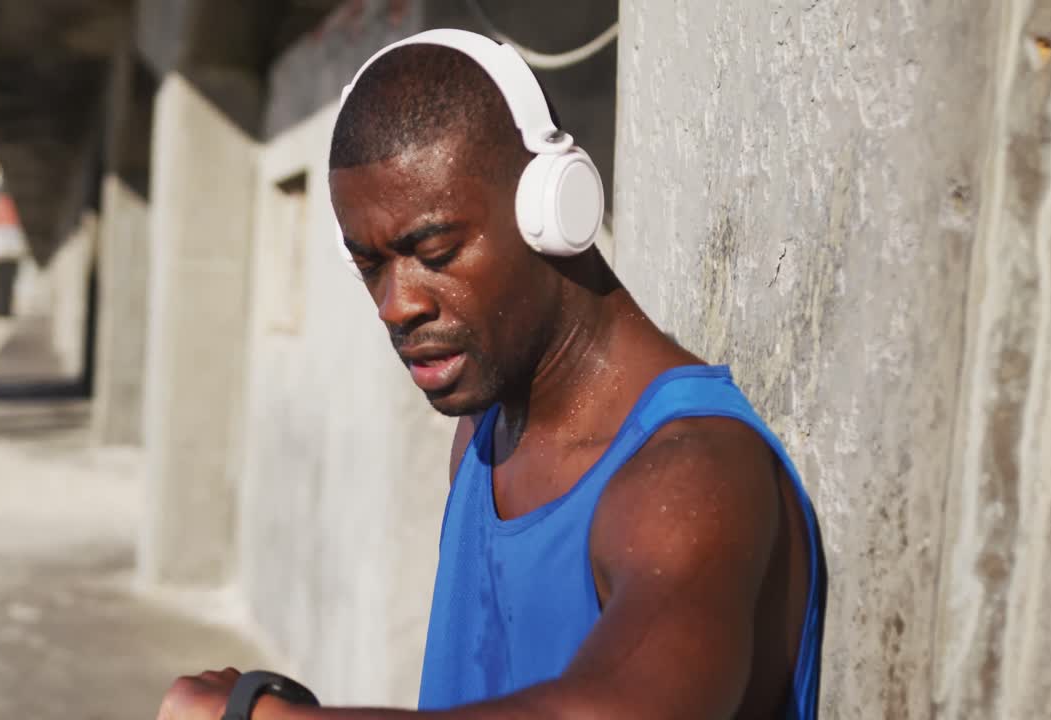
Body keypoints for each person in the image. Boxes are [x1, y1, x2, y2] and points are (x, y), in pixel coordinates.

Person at [158, 29, 826, 720]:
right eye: (370, 265)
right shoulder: (485, 432)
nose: (397, 304)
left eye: (436, 251)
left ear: (554, 210)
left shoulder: (691, 475)